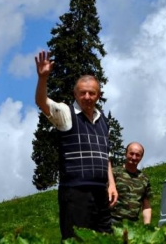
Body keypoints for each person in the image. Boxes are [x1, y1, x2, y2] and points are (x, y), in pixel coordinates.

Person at [34, 51, 118, 240]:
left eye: (91, 93)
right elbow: (42, 102)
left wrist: (111, 184)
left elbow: (106, 156)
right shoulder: (66, 114)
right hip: (75, 193)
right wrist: (43, 78)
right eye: (83, 92)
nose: (87, 96)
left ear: (98, 95)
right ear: (75, 93)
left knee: (106, 241)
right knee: (76, 241)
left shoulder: (103, 120)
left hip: (100, 193)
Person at [111, 142, 152, 224]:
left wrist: (147, 226)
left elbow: (146, 206)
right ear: (126, 154)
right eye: (131, 153)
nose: (134, 157)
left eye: (137, 155)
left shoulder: (144, 179)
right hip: (113, 221)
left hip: (133, 225)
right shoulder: (114, 173)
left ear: (141, 157)